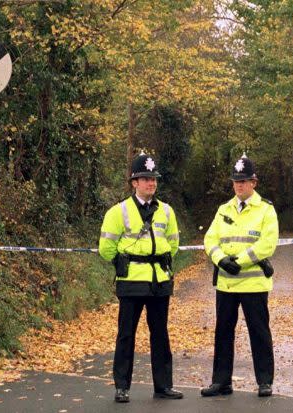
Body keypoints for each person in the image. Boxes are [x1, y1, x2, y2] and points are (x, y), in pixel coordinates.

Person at [98, 153, 183, 403]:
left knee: (160, 335)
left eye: (154, 179)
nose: (151, 183)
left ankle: (163, 386)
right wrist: (124, 263)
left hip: (159, 280)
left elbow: (174, 244)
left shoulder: (166, 211)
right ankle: (122, 386)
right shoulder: (118, 211)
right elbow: (106, 248)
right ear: (134, 182)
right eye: (145, 179)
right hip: (132, 281)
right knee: (126, 335)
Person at [201, 153, 279, 398]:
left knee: (259, 333)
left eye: (244, 181)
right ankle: (221, 381)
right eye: (236, 181)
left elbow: (268, 243)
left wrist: (240, 261)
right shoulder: (224, 209)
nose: (239, 185)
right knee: (223, 333)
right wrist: (220, 259)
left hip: (254, 283)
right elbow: (210, 239)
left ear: (254, 182)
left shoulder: (265, 210)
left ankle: (264, 381)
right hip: (226, 283)